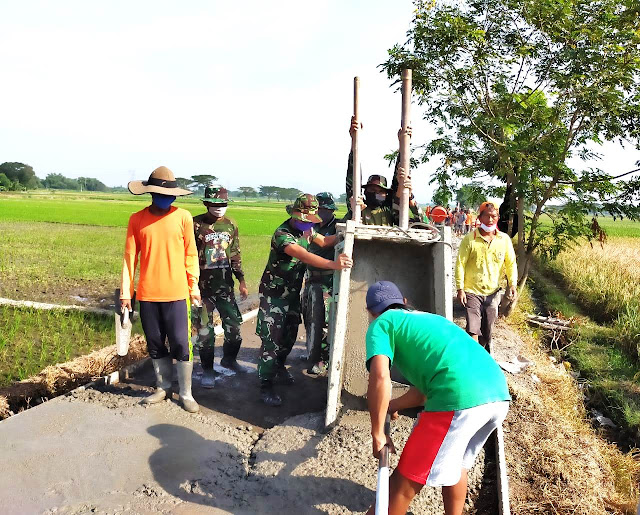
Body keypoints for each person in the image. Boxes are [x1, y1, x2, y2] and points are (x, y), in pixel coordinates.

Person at [363, 281, 510, 515]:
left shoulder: (382, 323)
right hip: (497, 394)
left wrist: (378, 432)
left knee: (402, 484)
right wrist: (392, 405)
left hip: (459, 397)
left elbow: (380, 377)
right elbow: (423, 392)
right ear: (404, 303)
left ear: (371, 312)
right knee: (457, 463)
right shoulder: (431, 320)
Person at [256, 193, 353, 406]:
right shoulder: (282, 234)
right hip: (274, 296)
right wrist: (333, 265)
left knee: (290, 335)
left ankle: (279, 367)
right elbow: (303, 255)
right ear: (294, 215)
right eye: (304, 219)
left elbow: (325, 241)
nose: (307, 224)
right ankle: (265, 385)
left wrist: (346, 234)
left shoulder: (307, 229)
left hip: (291, 294)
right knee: (271, 340)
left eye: (310, 220)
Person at [121, 166, 201, 413]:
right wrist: (126, 293)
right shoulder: (137, 219)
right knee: (155, 343)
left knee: (181, 342)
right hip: (147, 294)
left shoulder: (183, 217)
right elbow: (129, 258)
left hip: (177, 294)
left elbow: (191, 254)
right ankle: (163, 387)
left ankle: (186, 393)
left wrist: (194, 286)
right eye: (162, 194)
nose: (167, 199)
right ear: (151, 194)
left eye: (171, 195)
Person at [192, 185, 249, 388]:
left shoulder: (231, 225)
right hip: (201, 289)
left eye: (223, 204)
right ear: (207, 203)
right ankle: (207, 370)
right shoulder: (195, 224)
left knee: (233, 327)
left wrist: (241, 280)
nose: (219, 208)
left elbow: (235, 254)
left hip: (225, 286)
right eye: (215, 204)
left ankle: (229, 359)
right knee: (205, 332)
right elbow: (187, 255)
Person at [455, 201, 518, 351]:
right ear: (480, 218)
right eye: (487, 216)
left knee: (487, 330)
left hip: (492, 292)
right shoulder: (470, 239)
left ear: (497, 218)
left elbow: (511, 263)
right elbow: (460, 264)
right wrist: (460, 288)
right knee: (472, 327)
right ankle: (473, 358)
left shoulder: (504, 240)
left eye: (494, 216)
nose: (490, 220)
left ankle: (482, 352)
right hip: (472, 290)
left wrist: (513, 284)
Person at [346, 117, 412, 225]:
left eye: (380, 191)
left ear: (386, 194)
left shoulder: (390, 211)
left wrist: (403, 146)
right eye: (372, 190)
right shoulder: (358, 208)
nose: (376, 194)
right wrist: (354, 141)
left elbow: (398, 184)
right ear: (366, 191)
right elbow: (352, 179)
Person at [303, 192, 338, 375]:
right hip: (310, 278)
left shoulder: (338, 226)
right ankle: (311, 350)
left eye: (327, 209)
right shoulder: (310, 224)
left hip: (328, 279)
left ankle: (322, 359)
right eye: (320, 209)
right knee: (309, 318)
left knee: (323, 320)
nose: (323, 212)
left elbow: (325, 243)